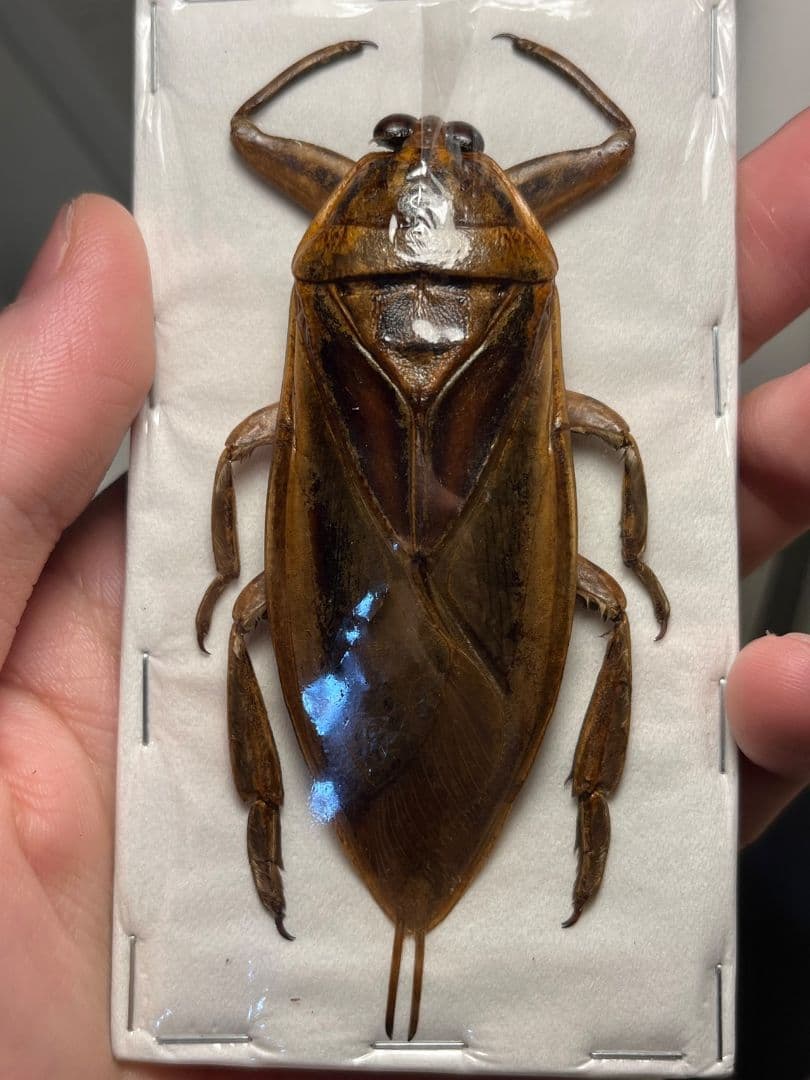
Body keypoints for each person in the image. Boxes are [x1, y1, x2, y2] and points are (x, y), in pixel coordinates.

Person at [0, 110, 808, 1077]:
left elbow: (237, 455)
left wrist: (226, 570)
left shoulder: (329, 291)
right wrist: (634, 551)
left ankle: (284, 823)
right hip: (488, 587)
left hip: (339, 590)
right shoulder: (521, 291)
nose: (428, 151)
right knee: (612, 609)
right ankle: (583, 809)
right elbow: (620, 440)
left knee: (253, 618)